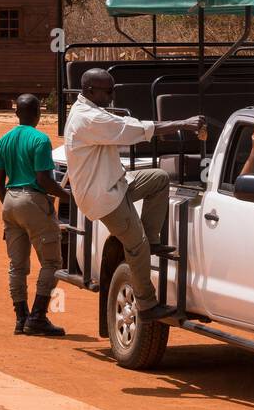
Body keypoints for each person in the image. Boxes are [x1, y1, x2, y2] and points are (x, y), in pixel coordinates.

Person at [63, 68, 204, 322]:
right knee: (136, 245)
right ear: (89, 91)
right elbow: (132, 129)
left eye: (112, 89)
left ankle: (151, 238)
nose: (111, 95)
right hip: (103, 195)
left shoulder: (91, 109)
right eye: (107, 91)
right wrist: (182, 124)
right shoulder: (89, 118)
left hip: (116, 182)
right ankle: (147, 305)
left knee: (159, 179)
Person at [0, 94, 71, 337]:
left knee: (17, 266)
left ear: (16, 113)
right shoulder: (40, 140)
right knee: (52, 262)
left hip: (9, 200)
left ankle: (21, 318)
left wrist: (10, 205)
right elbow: (44, 180)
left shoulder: (3, 141)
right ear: (38, 114)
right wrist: (68, 196)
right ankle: (38, 316)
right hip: (33, 201)